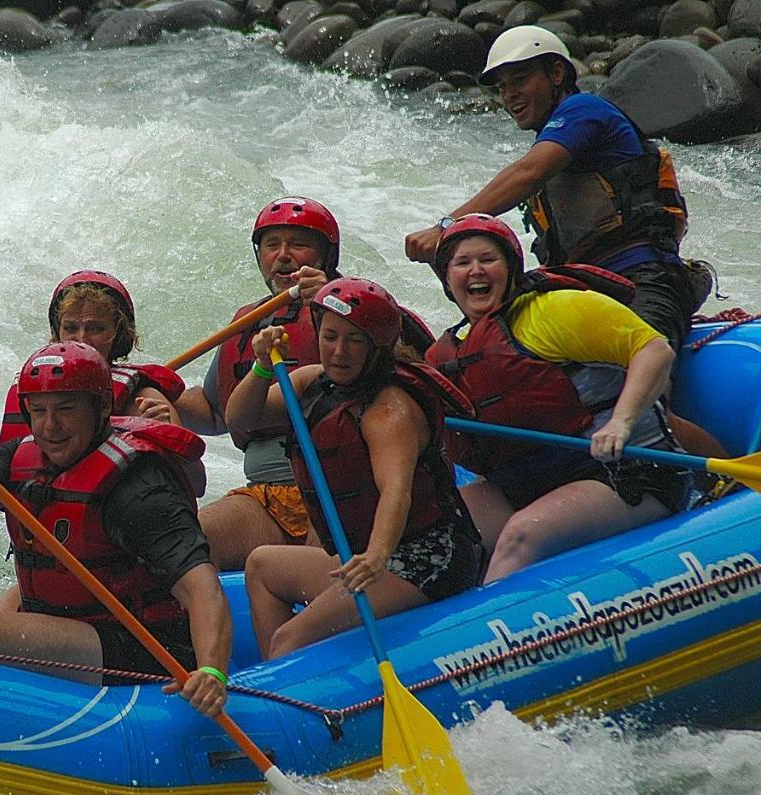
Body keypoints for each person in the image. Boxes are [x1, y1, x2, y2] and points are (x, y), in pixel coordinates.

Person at [0, 341, 231, 717]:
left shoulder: (138, 486)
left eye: (66, 410)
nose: (50, 426)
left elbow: (201, 587)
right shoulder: (26, 454)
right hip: (78, 622)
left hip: (146, 645)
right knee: (8, 599)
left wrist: (211, 669)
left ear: (101, 408)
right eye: (38, 411)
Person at [403, 25, 706, 356]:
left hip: (643, 277)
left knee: (641, 358)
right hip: (581, 289)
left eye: (519, 80)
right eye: (503, 88)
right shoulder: (555, 143)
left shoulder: (585, 110)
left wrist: (447, 227)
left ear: (557, 73)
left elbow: (529, 173)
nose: (509, 95)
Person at [425, 214, 690, 584]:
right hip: (524, 484)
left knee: (522, 534)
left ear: (511, 268)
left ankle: (494, 636)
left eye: (488, 259)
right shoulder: (447, 354)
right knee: (436, 532)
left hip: (622, 473)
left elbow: (654, 351)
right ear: (447, 281)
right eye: (462, 263)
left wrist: (622, 422)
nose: (476, 271)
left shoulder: (554, 309)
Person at [225, 279, 479, 659]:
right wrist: (262, 368)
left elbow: (397, 490)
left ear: (377, 347)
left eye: (353, 341)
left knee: (288, 640)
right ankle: (278, 684)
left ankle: (286, 692)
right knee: (263, 565)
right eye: (330, 336)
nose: (338, 352)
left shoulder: (389, 410)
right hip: (360, 555)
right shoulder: (313, 382)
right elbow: (241, 418)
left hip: (424, 558)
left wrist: (377, 555)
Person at [175, 197, 341, 571]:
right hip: (266, 498)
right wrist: (153, 391)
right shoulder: (250, 321)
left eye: (297, 244)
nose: (283, 256)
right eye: (272, 245)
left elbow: (402, 366)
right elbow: (217, 413)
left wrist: (333, 297)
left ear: (324, 254)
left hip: (338, 487)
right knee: (184, 541)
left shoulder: (350, 306)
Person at [0, 270, 183, 443]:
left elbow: (187, 470)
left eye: (95, 329)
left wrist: (164, 435)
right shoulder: (31, 386)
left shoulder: (144, 399)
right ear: (57, 333)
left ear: (118, 335)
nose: (82, 340)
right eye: (70, 328)